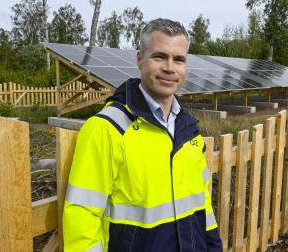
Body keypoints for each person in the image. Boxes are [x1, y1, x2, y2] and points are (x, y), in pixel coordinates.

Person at [62, 18, 223, 252]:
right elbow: (82, 217)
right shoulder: (107, 128)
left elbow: (203, 205)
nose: (170, 67)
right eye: (159, 56)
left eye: (178, 59)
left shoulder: (189, 130)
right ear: (140, 59)